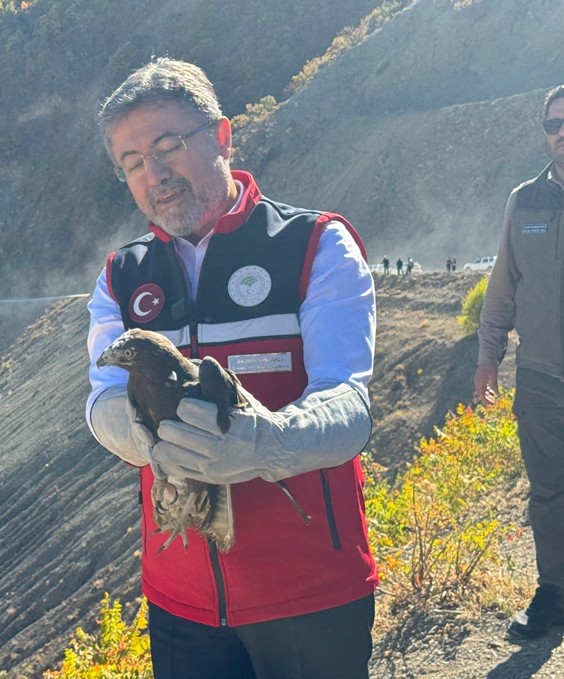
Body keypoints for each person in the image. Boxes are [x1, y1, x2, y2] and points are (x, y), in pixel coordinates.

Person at [86, 58, 377, 678]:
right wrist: (152, 438)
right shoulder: (120, 277)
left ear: (222, 136)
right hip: (181, 598)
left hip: (311, 592)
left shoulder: (316, 244)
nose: (155, 174)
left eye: (168, 146)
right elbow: (103, 400)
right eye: (133, 163)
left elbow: (348, 403)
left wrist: (267, 443)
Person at [474, 81, 564, 640]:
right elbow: (503, 288)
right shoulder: (525, 200)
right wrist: (488, 358)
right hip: (538, 378)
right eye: (554, 124)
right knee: (548, 493)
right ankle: (554, 596)